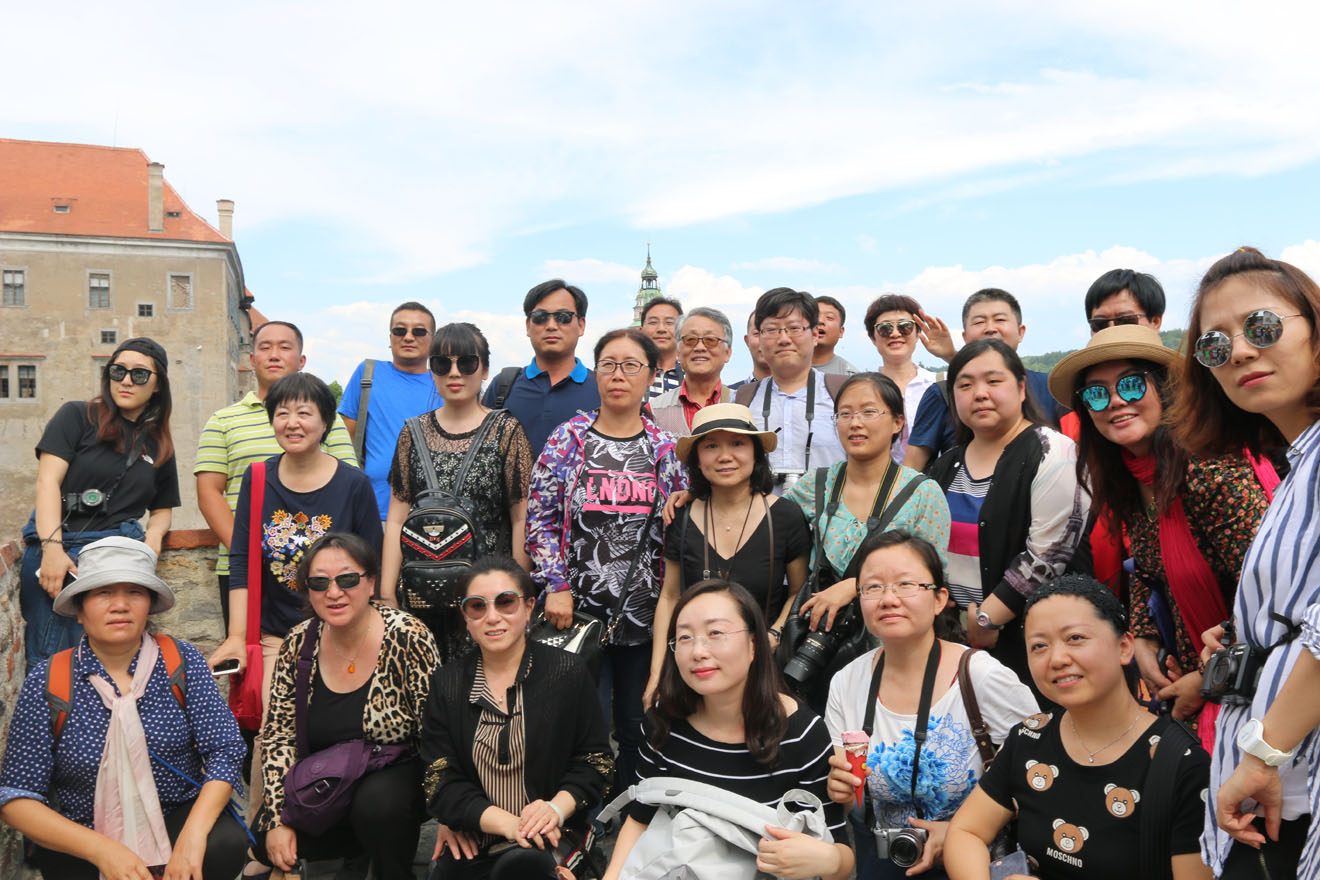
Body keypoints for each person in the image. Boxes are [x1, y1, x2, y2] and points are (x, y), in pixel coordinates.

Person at [1167, 247, 1320, 878]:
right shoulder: (1298, 465)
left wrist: (1263, 754)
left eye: (1261, 326)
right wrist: (1246, 635)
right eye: (1215, 345)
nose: (1239, 352)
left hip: (1285, 771)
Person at [1048, 325, 1273, 740]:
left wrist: (1205, 680)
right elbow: (1146, 569)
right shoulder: (1132, 476)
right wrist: (1145, 638)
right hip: (1191, 680)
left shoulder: (1211, 469)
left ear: (1166, 390)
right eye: (1096, 393)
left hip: (1258, 692)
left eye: (1132, 384)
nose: (1116, 401)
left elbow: (1271, 594)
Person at [207, 371, 383, 863]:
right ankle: (265, 845)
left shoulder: (352, 484)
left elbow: (369, 563)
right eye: (282, 412)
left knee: (343, 734)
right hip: (275, 635)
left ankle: (344, 843)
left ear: (326, 422)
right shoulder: (258, 478)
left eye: (305, 412)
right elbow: (242, 558)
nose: (292, 422)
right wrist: (237, 636)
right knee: (272, 735)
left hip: (340, 633)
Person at [0, 536, 248, 880]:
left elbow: (225, 749)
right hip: (85, 832)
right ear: (80, 610)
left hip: (175, 816)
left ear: (149, 605)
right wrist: (102, 851)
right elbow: (18, 796)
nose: (120, 605)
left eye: (134, 592)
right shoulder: (49, 679)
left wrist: (192, 837)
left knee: (223, 844)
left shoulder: (181, 661)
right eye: (103, 593)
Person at [945, 575, 1212, 880]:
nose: (1057, 659)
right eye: (1039, 646)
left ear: (1125, 647)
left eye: (1075, 638)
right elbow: (966, 831)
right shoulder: (1029, 737)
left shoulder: (1182, 764)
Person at [526, 327, 688, 795]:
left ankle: (631, 807)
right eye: (609, 365)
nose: (619, 375)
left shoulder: (665, 449)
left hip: (644, 616)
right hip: (575, 615)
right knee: (584, 722)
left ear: (652, 376)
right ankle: (585, 814)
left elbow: (679, 524)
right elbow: (539, 516)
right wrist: (555, 584)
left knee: (639, 722)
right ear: (595, 373)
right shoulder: (569, 439)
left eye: (631, 365)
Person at [603, 580, 855, 880]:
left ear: (754, 645)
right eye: (684, 637)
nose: (698, 651)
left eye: (716, 633)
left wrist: (829, 860)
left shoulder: (802, 734)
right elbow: (639, 819)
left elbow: (839, 853)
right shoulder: (664, 724)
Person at [824, 530, 1038, 880]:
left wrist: (960, 833)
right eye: (873, 587)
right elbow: (851, 799)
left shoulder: (981, 677)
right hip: (886, 863)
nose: (888, 599)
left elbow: (1040, 776)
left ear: (939, 599)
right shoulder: (847, 683)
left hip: (975, 865)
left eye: (905, 584)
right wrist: (841, 791)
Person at [252, 533, 440, 880]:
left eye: (348, 579)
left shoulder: (407, 634)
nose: (334, 592)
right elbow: (279, 736)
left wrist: (450, 812)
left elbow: (437, 731)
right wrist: (277, 820)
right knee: (265, 838)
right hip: (329, 778)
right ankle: (356, 856)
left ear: (371, 583)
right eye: (319, 582)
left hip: (394, 776)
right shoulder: (298, 642)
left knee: (377, 806)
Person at [421, 558, 613, 880]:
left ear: (529, 607)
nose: (492, 617)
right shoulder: (447, 684)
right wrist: (509, 825)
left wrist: (554, 809)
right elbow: (438, 779)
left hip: (553, 835)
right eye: (477, 606)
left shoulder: (567, 672)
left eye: (506, 602)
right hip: (476, 838)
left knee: (525, 868)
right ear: (465, 616)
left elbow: (596, 763)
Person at [927, 339, 1086, 700]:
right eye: (965, 385)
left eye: (993, 381)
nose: (980, 393)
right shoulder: (946, 463)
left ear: (1021, 388)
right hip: (958, 641)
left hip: (1035, 641)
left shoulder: (1052, 451)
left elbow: (1048, 555)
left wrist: (987, 618)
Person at [784, 373, 951, 703]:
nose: (855, 423)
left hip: (893, 646)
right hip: (822, 641)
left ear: (898, 422)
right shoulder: (816, 485)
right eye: (845, 414)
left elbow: (933, 576)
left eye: (868, 412)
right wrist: (698, 497)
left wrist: (856, 586)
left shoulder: (922, 492)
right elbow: (764, 520)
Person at [20, 337, 180, 668]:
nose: (126, 380)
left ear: (157, 386)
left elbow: (163, 508)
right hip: (65, 550)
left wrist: (153, 539)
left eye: (139, 374)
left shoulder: (159, 443)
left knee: (117, 657)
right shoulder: (78, 416)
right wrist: (52, 549)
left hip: (120, 557)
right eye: (118, 371)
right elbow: (47, 482)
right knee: (54, 659)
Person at [380, 322, 534, 660]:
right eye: (442, 363)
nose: (454, 372)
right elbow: (397, 519)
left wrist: (516, 593)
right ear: (432, 371)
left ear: (485, 370)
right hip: (421, 592)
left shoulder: (506, 431)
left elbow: (520, 518)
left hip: (487, 596)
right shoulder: (412, 432)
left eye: (466, 363)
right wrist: (388, 594)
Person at [195, 320, 357, 630]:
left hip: (322, 570)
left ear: (301, 360)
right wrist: (254, 554)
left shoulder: (328, 420)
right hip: (243, 570)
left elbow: (347, 486)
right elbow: (209, 493)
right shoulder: (222, 421)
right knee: (252, 650)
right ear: (251, 359)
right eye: (265, 347)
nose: (274, 354)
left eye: (284, 347)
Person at [646, 403, 812, 704]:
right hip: (696, 670)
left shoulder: (785, 516)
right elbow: (669, 597)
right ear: (697, 458)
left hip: (763, 671)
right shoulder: (682, 515)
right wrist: (657, 675)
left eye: (737, 443)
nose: (725, 456)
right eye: (711, 446)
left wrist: (772, 636)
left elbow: (798, 592)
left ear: (755, 453)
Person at [905, 289, 1069, 471]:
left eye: (1000, 320)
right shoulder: (942, 393)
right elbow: (912, 467)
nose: (990, 328)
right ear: (965, 337)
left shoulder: (1054, 388)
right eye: (979, 322)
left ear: (1020, 332)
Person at [735, 287, 849, 491]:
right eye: (771, 330)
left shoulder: (844, 395)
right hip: (759, 510)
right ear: (760, 338)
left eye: (794, 328)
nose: (783, 339)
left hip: (831, 510)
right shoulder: (740, 401)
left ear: (815, 335)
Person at [338, 301, 442, 519]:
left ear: (433, 339)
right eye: (400, 330)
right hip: (372, 508)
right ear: (390, 338)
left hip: (431, 511)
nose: (408, 337)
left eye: (419, 331)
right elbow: (344, 442)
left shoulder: (445, 383)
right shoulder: (368, 374)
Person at [482, 279, 602, 457]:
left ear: (581, 325)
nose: (551, 326)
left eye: (563, 317)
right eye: (540, 317)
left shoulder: (601, 389)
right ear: (528, 325)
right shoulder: (503, 386)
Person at [863, 294, 941, 463]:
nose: (895, 334)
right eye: (885, 328)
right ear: (873, 337)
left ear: (918, 333)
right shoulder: (862, 390)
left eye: (905, 327)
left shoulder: (940, 385)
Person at [649, 306, 734, 437]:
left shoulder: (744, 403)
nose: (700, 347)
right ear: (678, 352)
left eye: (710, 340)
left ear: (727, 353)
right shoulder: (654, 410)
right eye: (690, 340)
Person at [639, 297, 685, 399]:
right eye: (653, 322)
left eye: (669, 323)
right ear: (640, 331)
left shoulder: (693, 377)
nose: (661, 329)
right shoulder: (629, 375)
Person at [814, 295, 860, 375]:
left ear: (841, 332)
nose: (820, 320)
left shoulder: (850, 376)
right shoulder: (789, 366)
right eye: (815, 316)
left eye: (829, 317)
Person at [730, 309, 771, 390]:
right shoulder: (731, 394)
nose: (765, 341)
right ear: (747, 341)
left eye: (771, 332)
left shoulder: (797, 393)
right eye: (757, 333)